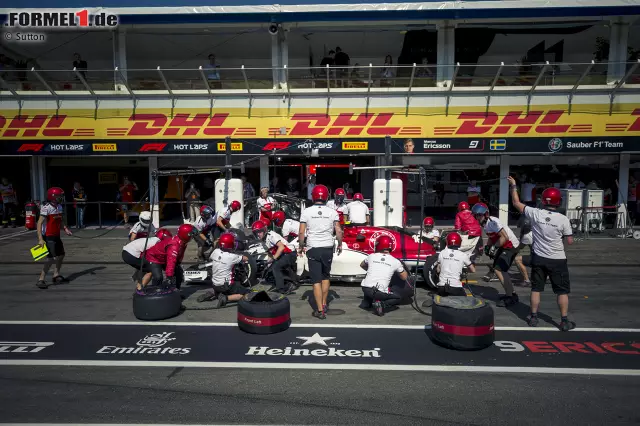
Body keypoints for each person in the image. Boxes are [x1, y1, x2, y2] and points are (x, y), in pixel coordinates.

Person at [507, 176, 575, 331]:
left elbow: (516, 203)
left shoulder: (535, 213)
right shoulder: (563, 219)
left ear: (543, 200)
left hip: (539, 258)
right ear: (559, 202)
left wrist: (513, 185)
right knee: (562, 291)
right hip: (558, 259)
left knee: (536, 289)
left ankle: (533, 317)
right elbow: (569, 241)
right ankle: (564, 321)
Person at [298, 184, 343, 320]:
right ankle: (324, 304)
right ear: (326, 196)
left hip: (313, 248)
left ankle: (319, 310)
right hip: (328, 247)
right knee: (325, 277)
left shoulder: (306, 212)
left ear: (313, 196)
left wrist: (301, 246)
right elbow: (339, 231)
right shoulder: (332, 212)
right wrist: (340, 244)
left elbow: (301, 232)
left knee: (316, 280)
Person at [471, 202, 520, 307]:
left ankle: (510, 297)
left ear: (486, 214)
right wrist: (488, 247)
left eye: (479, 215)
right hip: (504, 246)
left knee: (499, 270)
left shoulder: (493, 222)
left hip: (511, 246)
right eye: (476, 215)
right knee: (498, 268)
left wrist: (494, 247)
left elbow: (504, 237)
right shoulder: (485, 224)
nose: (477, 217)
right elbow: (491, 237)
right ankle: (512, 294)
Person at [196, 232, 251, 308]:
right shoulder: (232, 257)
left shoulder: (215, 252)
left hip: (215, 284)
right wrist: (242, 255)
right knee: (247, 294)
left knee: (222, 284)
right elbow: (246, 258)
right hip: (226, 285)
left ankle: (214, 294)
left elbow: (216, 251)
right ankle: (226, 298)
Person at [360, 235, 410, 316]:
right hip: (379, 292)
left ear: (379, 245)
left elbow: (362, 265)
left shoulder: (371, 256)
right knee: (398, 297)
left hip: (365, 288)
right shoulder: (395, 261)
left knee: (370, 279)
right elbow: (404, 277)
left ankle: (367, 302)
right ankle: (381, 304)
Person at [141, 223, 197, 291]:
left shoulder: (183, 242)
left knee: (178, 272)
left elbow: (180, 254)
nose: (192, 237)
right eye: (191, 235)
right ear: (186, 235)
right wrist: (169, 277)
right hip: (154, 258)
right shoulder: (174, 245)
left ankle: (176, 292)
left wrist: (178, 263)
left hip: (163, 257)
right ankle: (154, 294)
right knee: (158, 277)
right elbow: (171, 262)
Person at [36, 187, 73, 289]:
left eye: (61, 195)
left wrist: (65, 228)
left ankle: (56, 275)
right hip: (48, 236)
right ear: (52, 196)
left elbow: (60, 220)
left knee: (61, 255)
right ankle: (41, 279)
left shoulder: (59, 206)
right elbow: (39, 223)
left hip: (56, 235)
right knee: (50, 259)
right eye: (58, 196)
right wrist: (40, 239)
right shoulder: (46, 208)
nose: (60, 197)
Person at [252, 220, 297, 294]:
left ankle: (281, 289)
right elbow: (270, 253)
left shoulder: (271, 235)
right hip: (283, 254)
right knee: (270, 269)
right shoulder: (263, 240)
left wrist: (273, 259)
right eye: (256, 233)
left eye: (259, 231)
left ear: (264, 230)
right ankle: (293, 281)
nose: (258, 234)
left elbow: (281, 247)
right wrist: (267, 264)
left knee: (276, 267)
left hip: (290, 253)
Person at [435, 232, 476, 296]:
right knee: (464, 302)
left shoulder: (442, 253)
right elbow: (473, 270)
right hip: (456, 287)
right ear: (459, 242)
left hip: (442, 287)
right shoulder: (463, 255)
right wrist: (464, 271)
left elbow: (438, 270)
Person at [514, 214, 532, 287]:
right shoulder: (537, 231)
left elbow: (520, 247)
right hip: (546, 256)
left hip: (538, 258)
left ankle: (526, 280)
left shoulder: (527, 236)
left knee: (517, 259)